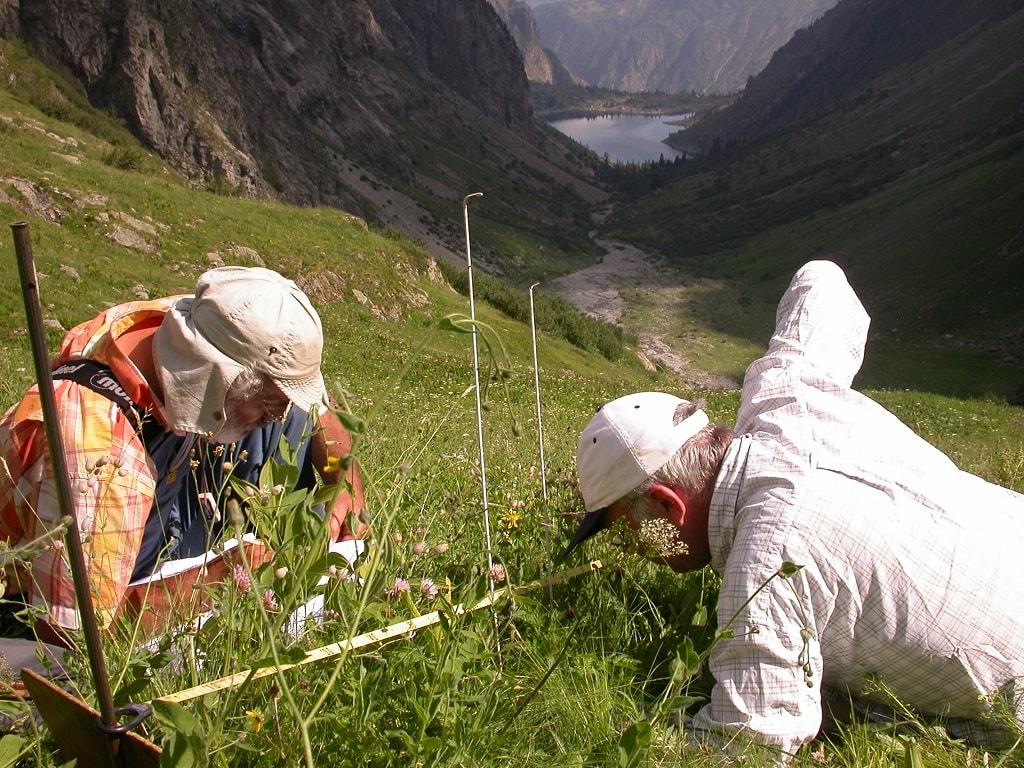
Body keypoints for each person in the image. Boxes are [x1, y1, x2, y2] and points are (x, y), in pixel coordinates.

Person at [564, 261, 1024, 758]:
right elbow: (822, 280)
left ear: (664, 504)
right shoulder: (785, 396)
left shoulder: (764, 570)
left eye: (622, 529)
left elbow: (747, 746)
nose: (630, 549)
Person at [0, 266, 366, 640]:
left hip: (164, 485)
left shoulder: (184, 324)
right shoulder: (100, 465)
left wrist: (344, 479)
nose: (280, 416)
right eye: (273, 403)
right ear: (221, 378)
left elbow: (320, 411)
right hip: (52, 594)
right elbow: (75, 639)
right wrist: (222, 579)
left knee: (306, 475)